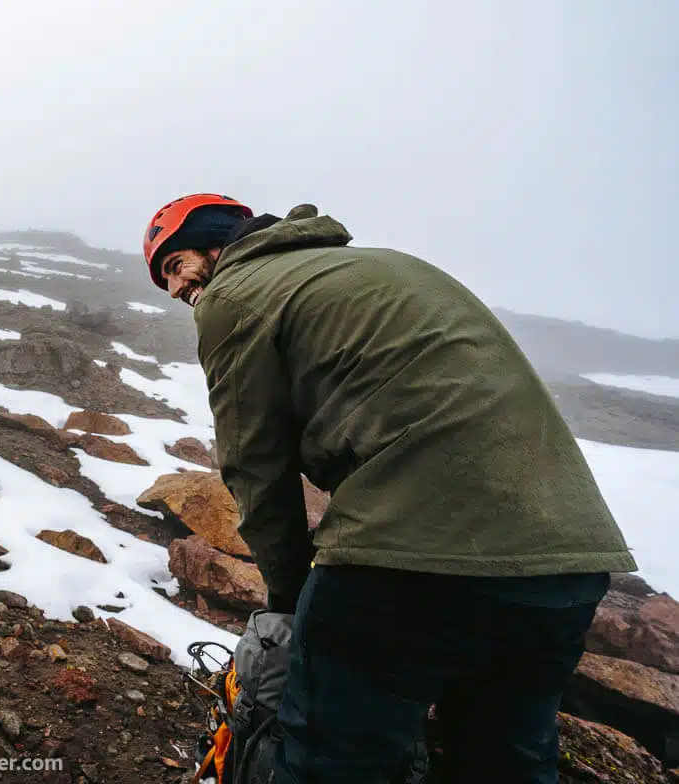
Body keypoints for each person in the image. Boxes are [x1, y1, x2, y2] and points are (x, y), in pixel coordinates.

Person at [142, 193, 637, 783]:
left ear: (217, 242)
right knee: (508, 758)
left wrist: (290, 605)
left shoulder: (234, 293)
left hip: (408, 559)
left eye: (175, 266)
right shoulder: (385, 265)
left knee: (334, 759)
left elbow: (254, 465)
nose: (176, 291)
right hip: (568, 563)